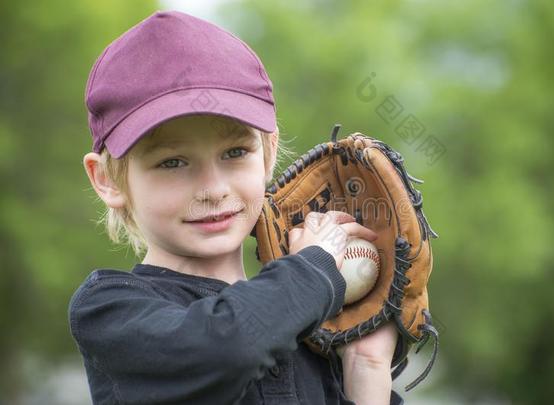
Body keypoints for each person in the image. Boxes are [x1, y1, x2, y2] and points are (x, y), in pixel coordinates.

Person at [69, 10, 403, 404]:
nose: (213, 188)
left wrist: (366, 367)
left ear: (268, 152)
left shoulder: (310, 331)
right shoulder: (110, 310)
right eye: (172, 162)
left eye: (235, 152)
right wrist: (315, 267)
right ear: (106, 180)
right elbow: (228, 348)